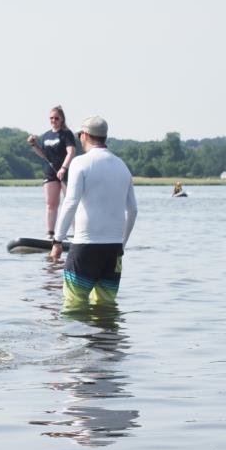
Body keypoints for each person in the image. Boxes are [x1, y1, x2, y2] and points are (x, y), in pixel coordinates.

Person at [49, 116, 137, 312]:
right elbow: (133, 210)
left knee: (74, 307)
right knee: (106, 309)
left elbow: (70, 203)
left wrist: (57, 241)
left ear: (86, 135)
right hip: (113, 250)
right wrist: (121, 245)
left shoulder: (80, 163)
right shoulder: (122, 166)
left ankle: (75, 342)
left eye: (80, 135)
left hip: (85, 248)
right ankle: (106, 342)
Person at [28, 105, 77, 238]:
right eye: (51, 118)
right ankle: (50, 233)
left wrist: (64, 168)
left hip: (65, 172)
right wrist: (33, 145)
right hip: (50, 172)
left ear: (61, 119)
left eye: (56, 118)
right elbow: (43, 154)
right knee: (51, 204)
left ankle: (77, 234)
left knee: (69, 203)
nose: (53, 120)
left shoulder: (66, 134)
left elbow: (71, 152)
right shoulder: (46, 135)